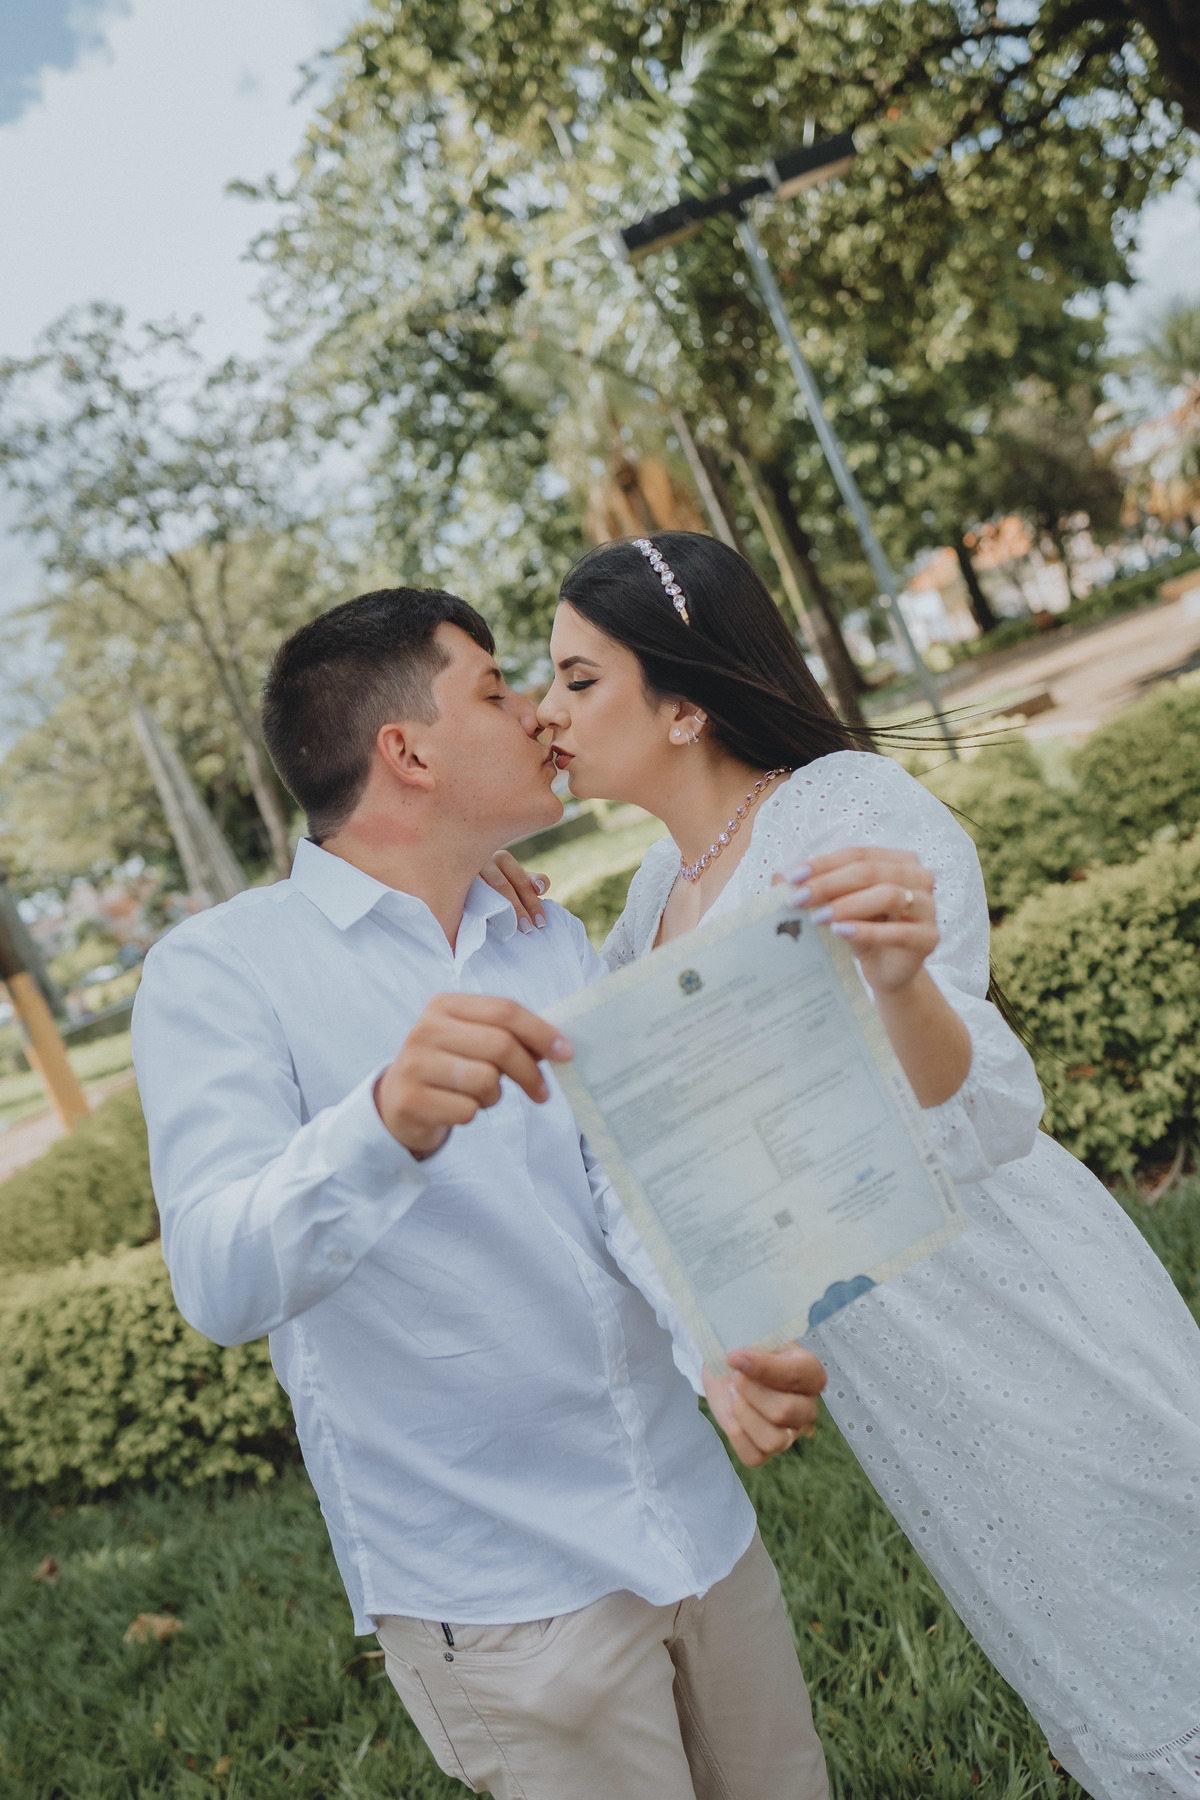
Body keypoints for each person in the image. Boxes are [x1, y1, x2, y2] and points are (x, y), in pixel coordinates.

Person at [529, 531, 1200, 1800]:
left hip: (1006, 1287)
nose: (544, 711)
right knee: (1078, 1641)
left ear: (682, 705)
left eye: (576, 678)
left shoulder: (846, 809)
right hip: (890, 1353)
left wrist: (901, 982)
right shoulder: (652, 898)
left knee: (1162, 1575)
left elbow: (981, 1109)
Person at [131, 585, 831, 1800]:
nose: (539, 715)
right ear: (408, 753)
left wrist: (710, 1348)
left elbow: (619, 1184)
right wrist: (381, 1125)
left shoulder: (543, 935)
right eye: (499, 690)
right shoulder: (222, 972)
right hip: (508, 1598)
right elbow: (218, 1278)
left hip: (698, 1525)